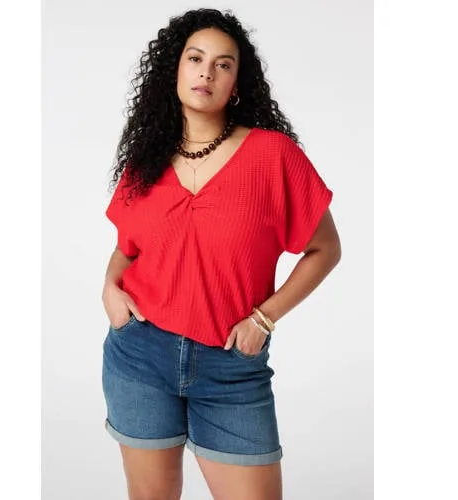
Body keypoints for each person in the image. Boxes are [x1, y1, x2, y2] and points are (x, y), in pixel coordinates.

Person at [101, 7, 341, 500]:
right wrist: (109, 288)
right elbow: (127, 249)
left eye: (223, 64)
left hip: (231, 367)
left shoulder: (272, 155)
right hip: (139, 356)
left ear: (236, 84)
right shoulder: (145, 160)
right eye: (195, 58)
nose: (206, 72)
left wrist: (264, 319)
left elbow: (326, 249)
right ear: (174, 70)